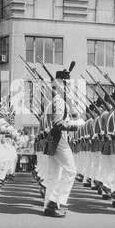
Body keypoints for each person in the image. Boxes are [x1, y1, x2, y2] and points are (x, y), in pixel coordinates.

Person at [42, 64, 82, 218]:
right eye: (67, 84)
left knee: (54, 174)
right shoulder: (59, 101)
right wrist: (76, 125)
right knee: (70, 170)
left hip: (55, 139)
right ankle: (56, 201)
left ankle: (50, 206)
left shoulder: (58, 100)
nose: (69, 88)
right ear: (60, 84)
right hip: (58, 139)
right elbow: (58, 124)